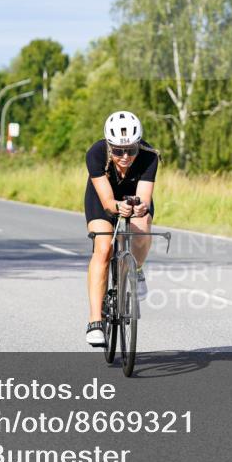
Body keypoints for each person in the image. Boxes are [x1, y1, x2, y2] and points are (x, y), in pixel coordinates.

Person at [84, 111, 160, 346]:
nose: (125, 156)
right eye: (118, 151)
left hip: (134, 199)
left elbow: (145, 197)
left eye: (131, 150)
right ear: (109, 146)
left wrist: (139, 208)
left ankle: (136, 270)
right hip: (103, 199)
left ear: (139, 145)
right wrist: (117, 207)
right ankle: (95, 320)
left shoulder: (149, 157)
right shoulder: (96, 153)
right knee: (104, 248)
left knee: (142, 227)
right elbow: (107, 202)